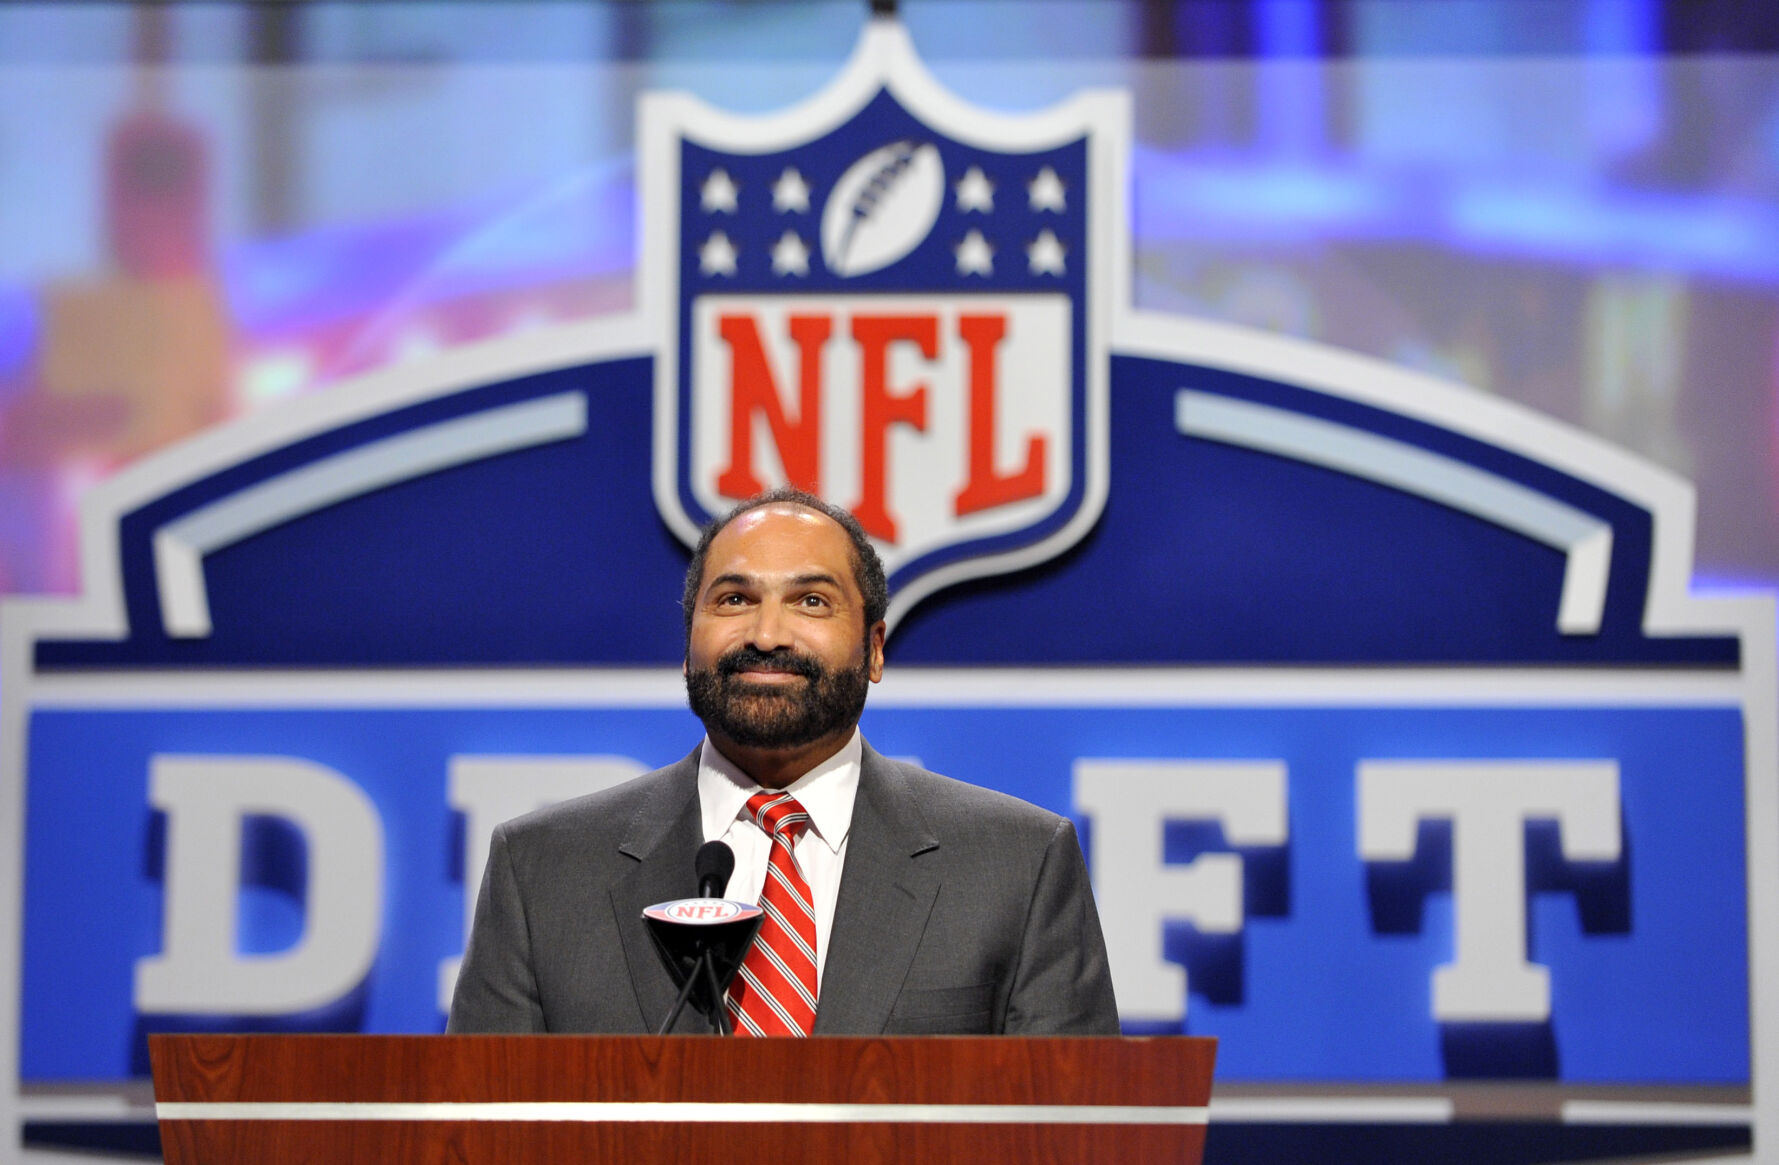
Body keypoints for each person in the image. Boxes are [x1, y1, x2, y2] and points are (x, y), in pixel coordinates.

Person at [447, 486, 1118, 1035]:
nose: (767, 635)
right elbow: (473, 1133)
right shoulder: (540, 869)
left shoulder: (1016, 863)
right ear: (688, 645)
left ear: (874, 648)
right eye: (734, 599)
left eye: (811, 602)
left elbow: (1074, 1135)